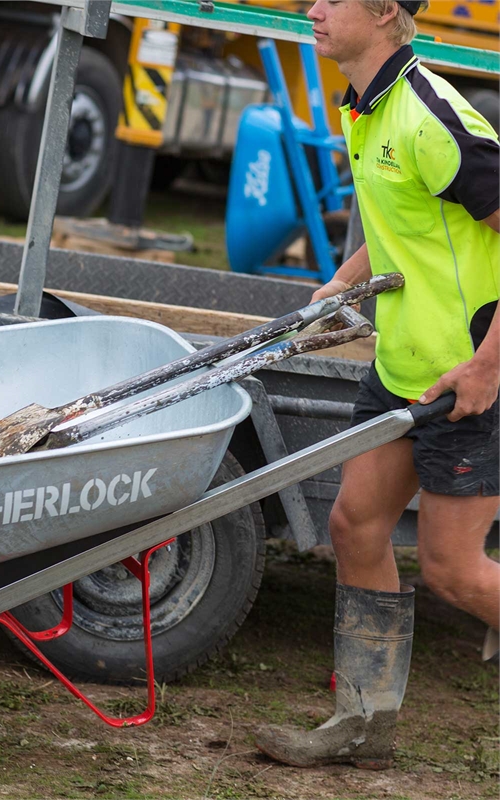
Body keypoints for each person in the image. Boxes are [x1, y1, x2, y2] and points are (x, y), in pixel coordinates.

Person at [254, 0, 499, 770]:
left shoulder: (435, 119)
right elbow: (401, 212)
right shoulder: (369, 106)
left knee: (456, 571)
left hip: (470, 374)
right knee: (355, 529)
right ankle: (362, 728)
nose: (312, 10)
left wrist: (489, 365)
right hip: (402, 370)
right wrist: (343, 282)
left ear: (387, 11)